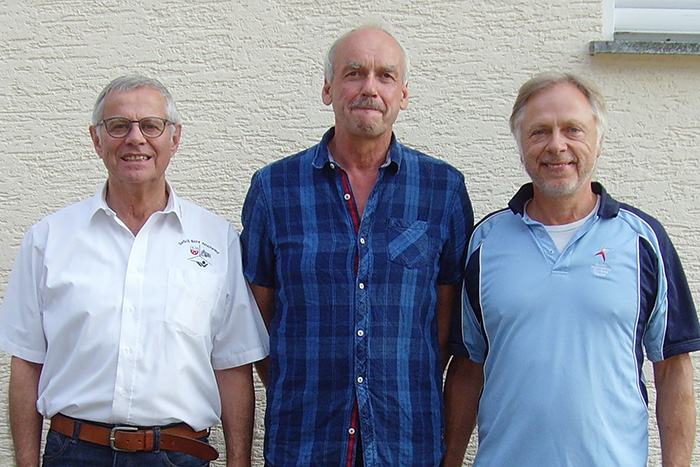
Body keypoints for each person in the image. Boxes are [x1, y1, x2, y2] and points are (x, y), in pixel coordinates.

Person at [0, 75, 269, 467]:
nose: (135, 138)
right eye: (119, 126)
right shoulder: (48, 239)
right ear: (96, 139)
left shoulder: (217, 240)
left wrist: (239, 462)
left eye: (151, 126)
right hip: (73, 453)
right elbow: (26, 364)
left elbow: (232, 365)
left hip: (179, 455)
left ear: (174, 139)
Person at [240, 25, 473, 466]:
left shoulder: (442, 190)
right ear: (328, 89)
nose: (369, 87)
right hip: (305, 442)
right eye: (354, 73)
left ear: (403, 93)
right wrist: (306, 381)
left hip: (406, 442)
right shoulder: (274, 189)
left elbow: (444, 323)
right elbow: (259, 319)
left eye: (385, 75)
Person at [444, 72, 700, 466]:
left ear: (598, 140)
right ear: (520, 144)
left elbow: (673, 369)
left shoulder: (642, 240)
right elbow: (466, 369)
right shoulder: (486, 242)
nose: (556, 145)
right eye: (540, 132)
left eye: (573, 130)